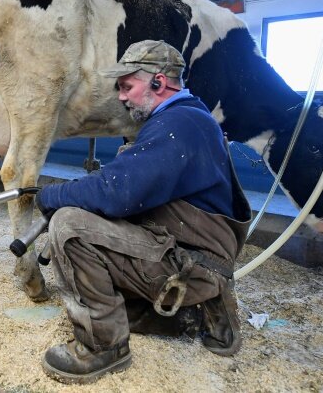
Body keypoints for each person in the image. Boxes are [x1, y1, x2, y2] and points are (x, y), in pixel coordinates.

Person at [36, 39, 252, 384]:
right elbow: (127, 186)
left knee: (69, 226)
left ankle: (103, 348)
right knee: (125, 308)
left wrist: (51, 195)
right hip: (191, 252)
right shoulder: (187, 119)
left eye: (127, 86)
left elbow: (116, 193)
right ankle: (200, 313)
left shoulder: (179, 125)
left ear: (158, 81)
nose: (121, 96)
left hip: (189, 260)